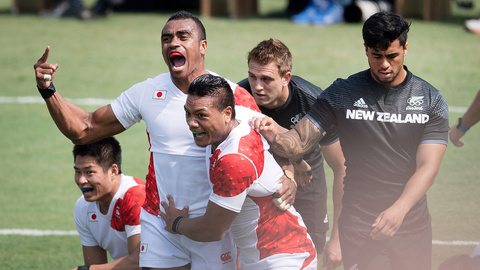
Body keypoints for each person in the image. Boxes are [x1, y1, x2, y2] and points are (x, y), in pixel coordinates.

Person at [33, 10, 295, 270]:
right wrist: (48, 90)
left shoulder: (231, 96)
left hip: (212, 227)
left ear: (202, 47)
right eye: (166, 38)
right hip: (160, 220)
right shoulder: (148, 92)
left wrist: (289, 175)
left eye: (183, 36)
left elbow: (273, 143)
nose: (173, 43)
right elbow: (84, 128)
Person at [250, 12, 449, 270]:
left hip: (411, 224)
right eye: (376, 56)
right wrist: (271, 132)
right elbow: (298, 142)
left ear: (405, 48)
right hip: (359, 225)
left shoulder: (430, 100)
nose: (384, 64)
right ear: (365, 50)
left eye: (392, 56)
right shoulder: (342, 94)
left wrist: (399, 210)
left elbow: (428, 167)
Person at [160, 74, 317, 269]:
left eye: (201, 115)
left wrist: (176, 223)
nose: (191, 123)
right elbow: (278, 142)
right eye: (188, 113)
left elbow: (213, 230)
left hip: (284, 259)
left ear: (227, 113)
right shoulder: (243, 116)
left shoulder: (234, 161)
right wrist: (291, 170)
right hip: (261, 259)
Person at [237, 38, 345, 269]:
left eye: (266, 79)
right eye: (252, 77)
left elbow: (341, 168)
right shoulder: (240, 98)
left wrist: (337, 237)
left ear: (286, 78)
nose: (257, 87)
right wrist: (293, 165)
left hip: (308, 191)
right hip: (255, 192)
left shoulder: (314, 102)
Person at [70, 136, 145, 270]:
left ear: (113, 171)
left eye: (89, 172)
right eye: (77, 172)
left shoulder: (135, 197)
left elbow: (140, 263)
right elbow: (96, 265)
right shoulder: (83, 206)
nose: (81, 180)